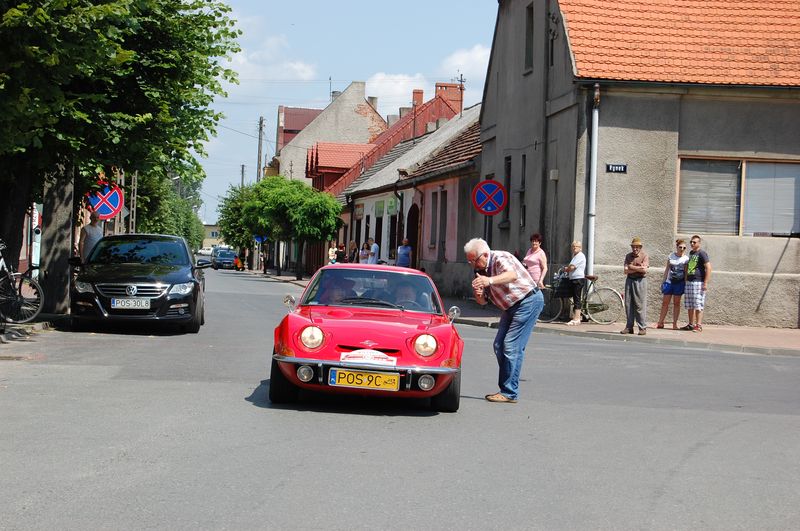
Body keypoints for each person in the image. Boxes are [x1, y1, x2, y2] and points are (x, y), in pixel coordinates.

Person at [465, 237, 544, 404]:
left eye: (473, 260)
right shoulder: (482, 270)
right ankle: (508, 387)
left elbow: (512, 275)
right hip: (510, 307)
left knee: (511, 346)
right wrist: (478, 294)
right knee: (499, 345)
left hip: (527, 301)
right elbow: (483, 302)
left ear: (484, 255)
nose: (472, 265)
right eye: (469, 261)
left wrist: (490, 280)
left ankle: (509, 392)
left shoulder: (500, 257)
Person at [656, 239, 689, 330]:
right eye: (680, 247)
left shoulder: (686, 259)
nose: (682, 249)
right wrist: (663, 281)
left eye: (684, 248)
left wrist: (685, 284)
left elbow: (686, 272)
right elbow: (667, 269)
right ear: (677, 247)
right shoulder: (671, 256)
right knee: (665, 302)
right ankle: (660, 322)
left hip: (679, 283)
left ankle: (675, 324)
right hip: (669, 282)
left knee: (677, 303)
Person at [621, 237, 650, 335]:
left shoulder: (644, 255)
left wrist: (631, 267)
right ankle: (629, 327)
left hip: (640, 281)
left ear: (640, 247)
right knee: (628, 304)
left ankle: (642, 327)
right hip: (629, 280)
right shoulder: (628, 256)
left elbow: (644, 270)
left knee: (639, 305)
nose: (635, 249)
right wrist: (638, 268)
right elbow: (625, 271)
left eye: (637, 247)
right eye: (633, 247)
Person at [683, 235, 711, 332]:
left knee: (698, 304)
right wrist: (686, 280)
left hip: (698, 282)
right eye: (691, 242)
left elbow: (708, 267)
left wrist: (705, 283)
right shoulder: (691, 253)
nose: (692, 244)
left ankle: (698, 325)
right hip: (689, 282)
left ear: (699, 243)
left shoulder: (702, 253)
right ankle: (691, 324)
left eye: (694, 242)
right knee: (690, 304)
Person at [564, 241, 586, 326]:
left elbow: (572, 267)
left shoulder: (580, 256)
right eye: (573, 246)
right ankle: (575, 317)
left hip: (578, 279)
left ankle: (577, 319)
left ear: (580, 248)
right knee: (575, 298)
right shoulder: (575, 256)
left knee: (577, 299)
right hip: (574, 279)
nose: (574, 248)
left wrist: (566, 269)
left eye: (576, 246)